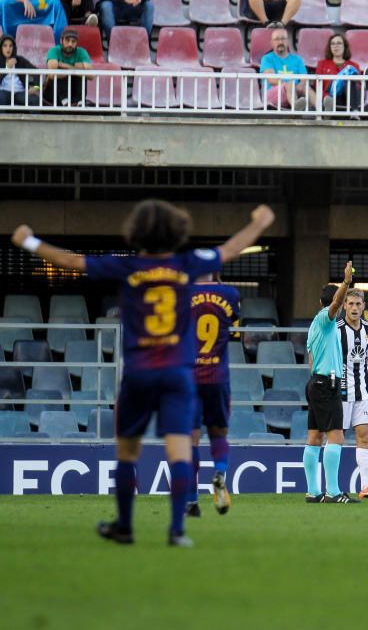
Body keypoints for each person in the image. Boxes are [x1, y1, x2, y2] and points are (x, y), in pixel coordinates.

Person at [9, 200, 275, 546]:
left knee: (128, 451)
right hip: (179, 374)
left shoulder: (127, 267)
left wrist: (28, 240)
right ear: (177, 232)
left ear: (136, 231)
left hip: (139, 372)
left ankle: (125, 526)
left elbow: (70, 261)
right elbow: (230, 249)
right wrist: (260, 222)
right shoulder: (186, 264)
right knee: (180, 450)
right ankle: (177, 530)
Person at [303, 263, 359, 504]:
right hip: (327, 383)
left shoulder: (315, 327)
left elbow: (311, 359)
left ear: (318, 301)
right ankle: (334, 492)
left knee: (314, 438)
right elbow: (334, 306)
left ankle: (313, 492)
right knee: (336, 437)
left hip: (316, 382)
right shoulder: (325, 321)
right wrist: (346, 283)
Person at [184, 274, 239, 518]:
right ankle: (219, 472)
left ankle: (191, 501)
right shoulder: (229, 294)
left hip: (190, 376)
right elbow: (234, 325)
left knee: (190, 440)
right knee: (219, 433)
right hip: (218, 377)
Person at [337, 288, 368, 499]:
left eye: (358, 304)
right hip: (340, 393)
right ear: (344, 306)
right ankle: (332, 487)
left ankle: (366, 487)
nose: (355, 308)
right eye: (351, 304)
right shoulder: (336, 330)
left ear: (364, 306)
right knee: (336, 439)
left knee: (364, 438)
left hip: (364, 392)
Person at [261, 23, 312, 111]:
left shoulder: (297, 59)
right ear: (271, 43)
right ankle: (296, 109)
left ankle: (321, 111)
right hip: (274, 94)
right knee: (289, 84)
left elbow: (304, 78)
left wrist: (299, 86)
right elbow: (272, 79)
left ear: (287, 42)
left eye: (283, 39)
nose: (280, 42)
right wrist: (289, 86)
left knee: (306, 88)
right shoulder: (267, 58)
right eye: (277, 39)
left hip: (294, 90)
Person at [315, 33, 368, 111]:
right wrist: (325, 97)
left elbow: (357, 89)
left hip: (349, 97)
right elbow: (317, 86)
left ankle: (361, 82)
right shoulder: (322, 64)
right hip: (331, 97)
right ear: (329, 47)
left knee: (349, 80)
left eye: (339, 43)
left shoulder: (354, 64)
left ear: (345, 46)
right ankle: (363, 81)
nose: (335, 46)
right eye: (333, 44)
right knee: (349, 70)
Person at [44, 27, 91, 106]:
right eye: (67, 40)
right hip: (52, 94)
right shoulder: (54, 50)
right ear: (61, 41)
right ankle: (64, 100)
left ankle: (79, 101)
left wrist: (66, 66)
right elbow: (51, 74)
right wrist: (75, 70)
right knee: (60, 71)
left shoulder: (82, 52)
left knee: (82, 73)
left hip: (72, 91)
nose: (70, 44)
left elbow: (91, 75)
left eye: (73, 42)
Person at [0, 33, 42, 106]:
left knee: (35, 99)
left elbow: (37, 72)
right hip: (3, 91)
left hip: (21, 92)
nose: (8, 49)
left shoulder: (20, 60)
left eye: (10, 46)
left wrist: (36, 87)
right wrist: (7, 68)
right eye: (5, 46)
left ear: (14, 48)